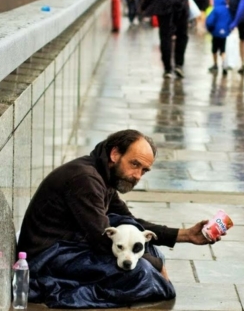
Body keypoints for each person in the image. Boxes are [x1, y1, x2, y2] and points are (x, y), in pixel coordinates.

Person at [18, 130, 220, 308]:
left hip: (72, 244)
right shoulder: (85, 178)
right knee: (141, 273)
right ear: (115, 154)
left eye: (143, 170)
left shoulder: (103, 177)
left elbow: (130, 222)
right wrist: (155, 264)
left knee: (137, 240)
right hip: (46, 257)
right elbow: (100, 240)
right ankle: (68, 293)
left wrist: (185, 235)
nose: (137, 175)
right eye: (135, 164)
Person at [142, 0, 194, 79]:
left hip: (164, 7)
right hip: (180, 6)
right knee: (182, 35)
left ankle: (167, 69)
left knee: (165, 36)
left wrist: (144, 6)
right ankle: (179, 65)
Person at [207, 0, 232, 75]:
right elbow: (230, 20)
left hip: (215, 33)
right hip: (224, 33)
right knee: (223, 49)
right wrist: (228, 29)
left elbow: (210, 21)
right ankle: (224, 63)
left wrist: (209, 29)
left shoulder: (215, 10)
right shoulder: (227, 10)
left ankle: (215, 64)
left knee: (214, 49)